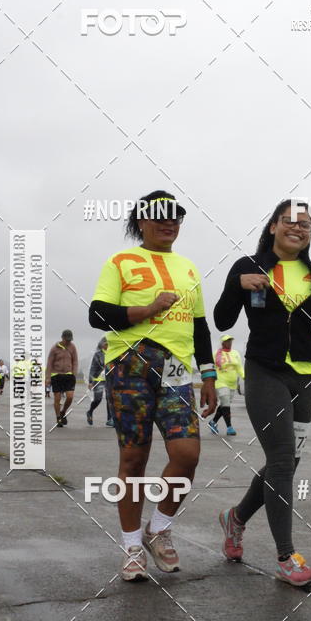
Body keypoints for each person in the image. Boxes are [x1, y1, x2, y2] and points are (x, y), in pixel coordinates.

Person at [214, 200, 311, 586]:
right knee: (283, 460)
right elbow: (222, 319)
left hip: (303, 377)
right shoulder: (249, 266)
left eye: (306, 224)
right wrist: (236, 286)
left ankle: (235, 518)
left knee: (286, 463)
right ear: (273, 226)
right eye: (290, 221)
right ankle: (287, 558)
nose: (298, 228)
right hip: (264, 371)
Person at [89, 190, 217, 580]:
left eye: (175, 217)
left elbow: (199, 327)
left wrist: (208, 374)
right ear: (140, 222)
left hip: (177, 369)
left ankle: (157, 529)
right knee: (133, 460)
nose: (168, 222)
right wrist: (145, 310)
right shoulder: (120, 261)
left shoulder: (190, 269)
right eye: (159, 216)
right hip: (129, 363)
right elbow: (97, 314)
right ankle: (131, 547)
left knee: (187, 454)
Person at [208, 334, 244, 436]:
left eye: (230, 341)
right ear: (222, 343)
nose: (229, 343)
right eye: (227, 341)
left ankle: (213, 422)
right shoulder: (216, 354)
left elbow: (239, 368)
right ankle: (229, 427)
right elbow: (210, 367)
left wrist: (245, 376)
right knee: (225, 403)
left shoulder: (235, 353)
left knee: (224, 404)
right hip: (220, 381)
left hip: (232, 383)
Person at [45, 330, 78, 427]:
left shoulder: (72, 347)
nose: (68, 341)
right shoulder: (54, 348)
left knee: (70, 397)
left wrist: (74, 374)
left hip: (69, 375)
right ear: (62, 338)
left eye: (70, 340)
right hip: (56, 375)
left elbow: (75, 361)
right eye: (66, 339)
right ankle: (58, 417)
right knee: (57, 399)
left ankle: (63, 412)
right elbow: (49, 363)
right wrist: (48, 378)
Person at [86, 338, 114, 426]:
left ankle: (110, 419)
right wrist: (90, 381)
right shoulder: (97, 355)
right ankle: (90, 412)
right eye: (105, 344)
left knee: (109, 399)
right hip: (98, 380)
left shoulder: (112, 353)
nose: (107, 345)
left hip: (109, 379)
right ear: (102, 345)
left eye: (108, 344)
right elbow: (93, 368)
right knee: (98, 399)